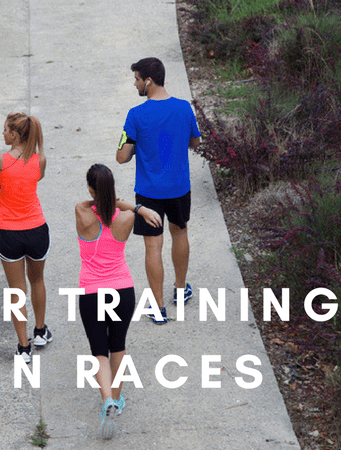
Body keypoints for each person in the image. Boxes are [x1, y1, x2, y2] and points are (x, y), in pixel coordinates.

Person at [75, 164, 162, 439]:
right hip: (123, 290)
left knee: (99, 352)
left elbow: (94, 202)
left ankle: (106, 401)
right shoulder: (126, 218)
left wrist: (102, 196)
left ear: (91, 189)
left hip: (92, 292)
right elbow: (118, 207)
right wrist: (140, 208)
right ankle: (117, 398)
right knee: (118, 347)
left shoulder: (81, 212)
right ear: (113, 190)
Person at [116, 57, 202, 324]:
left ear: (148, 81)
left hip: (149, 192)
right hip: (179, 188)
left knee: (153, 246)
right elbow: (195, 142)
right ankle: (179, 289)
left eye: (137, 79)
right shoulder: (184, 108)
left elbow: (122, 157)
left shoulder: (136, 115)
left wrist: (132, 143)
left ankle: (158, 307)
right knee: (180, 234)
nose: (135, 84)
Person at [0, 112, 52, 363]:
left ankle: (23, 347)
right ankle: (40, 331)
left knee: (16, 291)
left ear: (15, 135)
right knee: (37, 280)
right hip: (37, 229)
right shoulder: (40, 160)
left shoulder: (0, 162)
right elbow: (35, 179)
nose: (3, 134)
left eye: (6, 130)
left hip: (9, 233)